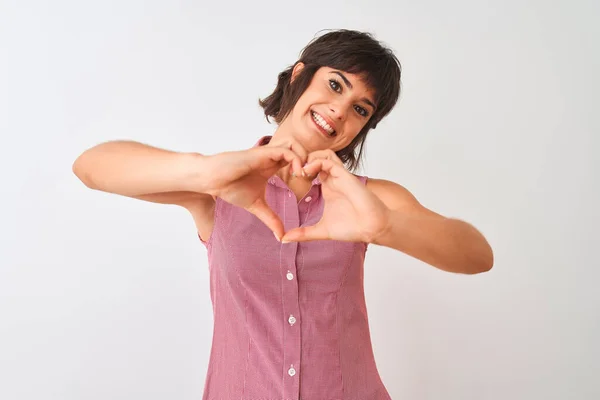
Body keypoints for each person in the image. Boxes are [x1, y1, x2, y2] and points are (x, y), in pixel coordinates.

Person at [73, 29, 493, 400]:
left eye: (361, 109)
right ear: (298, 75)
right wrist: (205, 170)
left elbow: (477, 255)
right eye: (334, 85)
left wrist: (386, 226)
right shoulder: (221, 187)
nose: (340, 110)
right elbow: (92, 166)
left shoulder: (368, 199)